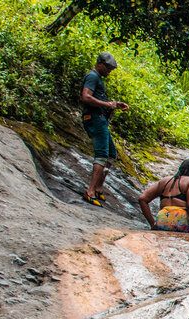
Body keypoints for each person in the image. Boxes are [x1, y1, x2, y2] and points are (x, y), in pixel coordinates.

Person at [81, 52, 129, 206]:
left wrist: (114, 104)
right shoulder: (92, 76)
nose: (109, 71)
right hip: (95, 119)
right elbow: (86, 97)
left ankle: (98, 189)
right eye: (107, 68)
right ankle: (90, 192)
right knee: (102, 155)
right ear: (99, 63)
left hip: (101, 119)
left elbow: (98, 99)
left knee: (111, 154)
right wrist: (107, 105)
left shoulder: (98, 78)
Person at [137, 158, 189, 235]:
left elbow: (142, 199)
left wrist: (153, 224)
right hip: (180, 222)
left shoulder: (164, 180)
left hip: (161, 221)